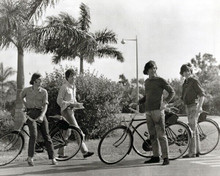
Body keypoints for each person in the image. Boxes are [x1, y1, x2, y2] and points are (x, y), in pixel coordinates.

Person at [139, 60, 175, 165]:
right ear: (147, 70)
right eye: (151, 68)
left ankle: (166, 158)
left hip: (158, 111)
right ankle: (155, 156)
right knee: (152, 136)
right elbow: (147, 96)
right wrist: (138, 102)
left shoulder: (160, 80)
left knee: (161, 135)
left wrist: (165, 102)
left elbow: (172, 92)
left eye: (155, 68)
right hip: (148, 111)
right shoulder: (147, 82)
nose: (153, 70)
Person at [21, 73, 57, 166]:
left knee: (46, 135)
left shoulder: (44, 91)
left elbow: (45, 106)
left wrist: (41, 116)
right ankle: (30, 158)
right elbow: (21, 97)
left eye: (41, 80)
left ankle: (52, 158)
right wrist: (26, 106)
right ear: (34, 80)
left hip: (41, 113)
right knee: (33, 135)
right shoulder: (27, 90)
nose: (41, 81)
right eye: (39, 80)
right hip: (30, 114)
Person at [57, 68, 94, 158]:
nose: (73, 78)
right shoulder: (64, 87)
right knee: (77, 130)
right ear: (67, 78)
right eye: (71, 76)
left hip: (71, 111)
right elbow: (59, 100)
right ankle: (85, 152)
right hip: (66, 111)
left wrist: (77, 104)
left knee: (67, 133)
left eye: (74, 76)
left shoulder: (73, 87)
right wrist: (70, 104)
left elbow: (73, 100)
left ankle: (60, 153)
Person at [180, 63, 205, 158]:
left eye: (187, 71)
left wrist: (199, 108)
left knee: (191, 129)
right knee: (194, 129)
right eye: (184, 72)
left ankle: (192, 153)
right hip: (188, 107)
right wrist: (171, 104)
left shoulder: (194, 81)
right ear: (182, 73)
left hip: (194, 106)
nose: (186, 73)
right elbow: (182, 98)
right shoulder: (185, 84)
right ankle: (197, 151)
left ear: (190, 71)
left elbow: (202, 95)